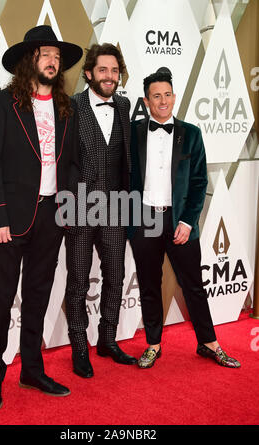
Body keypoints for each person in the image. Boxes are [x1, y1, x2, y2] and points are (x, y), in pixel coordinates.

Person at [0, 25, 83, 410]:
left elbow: (71, 165)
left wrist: (69, 206)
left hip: (51, 215)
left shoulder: (65, 108)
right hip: (11, 218)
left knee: (37, 295)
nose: (53, 61)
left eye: (57, 56)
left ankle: (32, 370)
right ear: (30, 60)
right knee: (2, 299)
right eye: (45, 54)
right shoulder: (3, 104)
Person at [128, 67, 240, 369]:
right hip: (144, 222)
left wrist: (188, 221)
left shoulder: (191, 134)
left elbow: (200, 181)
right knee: (150, 284)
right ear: (146, 100)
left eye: (167, 95)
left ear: (174, 97)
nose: (162, 101)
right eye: (156, 96)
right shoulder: (133, 132)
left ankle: (209, 342)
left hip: (181, 222)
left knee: (193, 285)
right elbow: (124, 177)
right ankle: (153, 344)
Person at [64, 43, 137, 378]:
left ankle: (107, 339)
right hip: (79, 207)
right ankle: (79, 346)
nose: (110, 76)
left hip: (116, 207)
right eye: (103, 70)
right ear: (89, 73)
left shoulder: (123, 105)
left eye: (115, 70)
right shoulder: (71, 106)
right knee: (78, 280)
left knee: (116, 276)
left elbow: (128, 160)